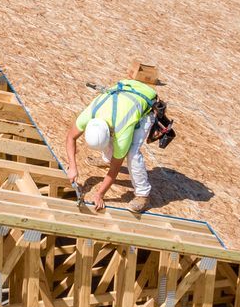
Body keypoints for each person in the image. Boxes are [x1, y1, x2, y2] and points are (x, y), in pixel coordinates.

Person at [65, 78, 174, 213]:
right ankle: (107, 159)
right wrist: (72, 166)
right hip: (128, 90)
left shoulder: (122, 129)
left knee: (132, 152)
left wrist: (100, 194)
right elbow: (71, 137)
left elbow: (115, 169)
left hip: (148, 102)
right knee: (114, 146)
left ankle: (143, 195)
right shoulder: (90, 114)